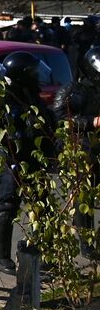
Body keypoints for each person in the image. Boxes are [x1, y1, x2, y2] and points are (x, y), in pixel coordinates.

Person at [0, 50, 54, 276]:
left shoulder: (31, 94)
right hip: (13, 159)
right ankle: (1, 256)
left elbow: (45, 123)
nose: (38, 75)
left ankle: (39, 252)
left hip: (34, 158)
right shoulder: (6, 97)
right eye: (33, 71)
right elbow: (8, 130)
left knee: (42, 205)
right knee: (8, 204)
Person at [53, 45, 100, 258]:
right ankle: (86, 243)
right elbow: (61, 119)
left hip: (97, 148)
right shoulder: (73, 90)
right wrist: (91, 122)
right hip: (81, 149)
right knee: (83, 197)